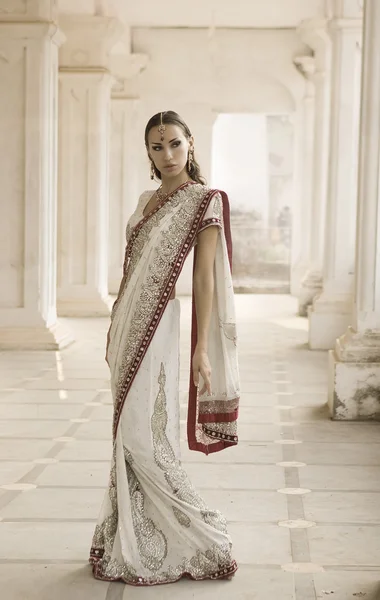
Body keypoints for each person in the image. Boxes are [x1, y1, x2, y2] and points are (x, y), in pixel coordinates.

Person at [89, 110, 240, 586]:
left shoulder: (204, 201)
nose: (167, 154)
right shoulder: (146, 199)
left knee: (145, 435)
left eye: (174, 143)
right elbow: (132, 268)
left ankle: (196, 536)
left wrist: (201, 350)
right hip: (129, 323)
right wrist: (116, 325)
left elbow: (203, 277)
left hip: (159, 326)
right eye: (157, 146)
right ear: (148, 152)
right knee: (125, 436)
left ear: (190, 143)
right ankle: (131, 536)